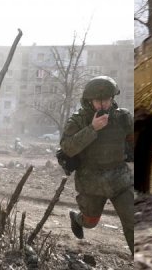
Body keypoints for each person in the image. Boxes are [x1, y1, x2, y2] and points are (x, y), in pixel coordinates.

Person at [60, 76, 134, 255]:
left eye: (106, 100)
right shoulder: (78, 120)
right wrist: (92, 129)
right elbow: (67, 148)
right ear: (89, 101)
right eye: (98, 101)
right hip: (91, 180)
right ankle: (77, 219)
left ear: (112, 99)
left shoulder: (123, 118)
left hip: (119, 178)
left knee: (133, 220)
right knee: (90, 222)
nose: (103, 105)